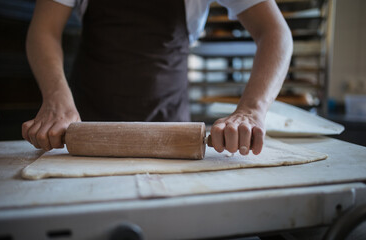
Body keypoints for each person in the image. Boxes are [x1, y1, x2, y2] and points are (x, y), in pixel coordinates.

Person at [22, 0, 293, 156]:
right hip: (86, 124)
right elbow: (45, 29)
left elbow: (274, 33)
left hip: (173, 130)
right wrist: (57, 99)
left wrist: (251, 110)